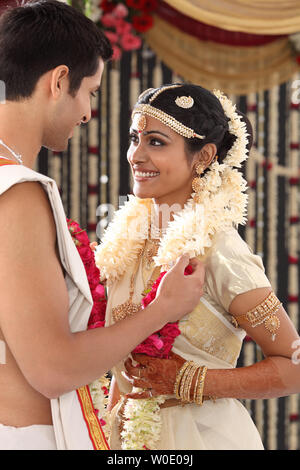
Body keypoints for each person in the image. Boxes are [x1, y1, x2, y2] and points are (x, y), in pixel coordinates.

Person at [0, 2, 205, 450]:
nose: (89, 112)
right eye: (89, 91)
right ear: (58, 81)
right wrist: (161, 311)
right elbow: (52, 369)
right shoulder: (15, 192)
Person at [94, 83, 300, 450]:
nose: (135, 155)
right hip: (126, 439)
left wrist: (189, 381)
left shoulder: (217, 249)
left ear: (203, 156)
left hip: (204, 438)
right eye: (133, 139)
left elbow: (293, 365)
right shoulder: (123, 244)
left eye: (156, 142)